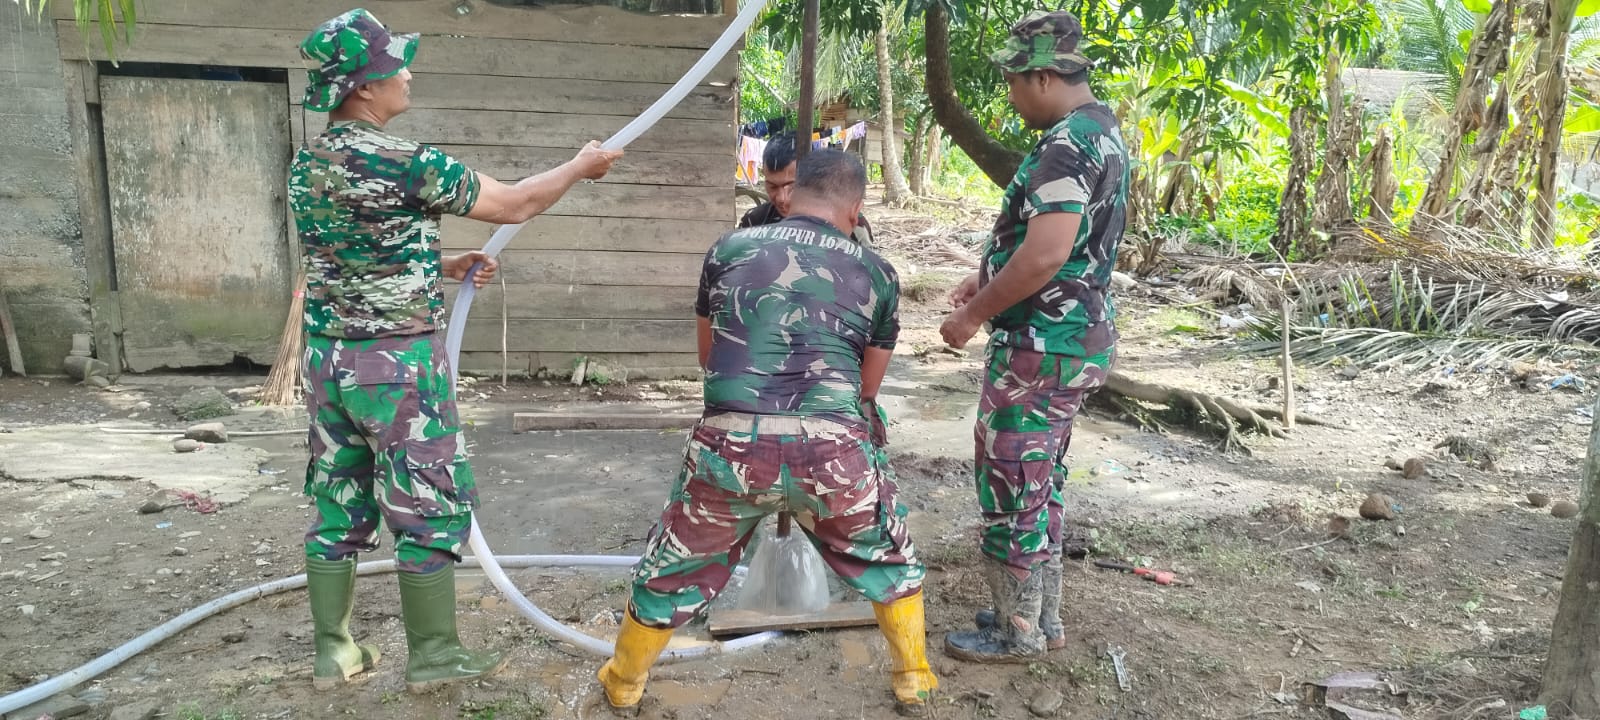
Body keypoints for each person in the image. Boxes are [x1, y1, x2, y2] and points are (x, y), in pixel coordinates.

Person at [289, 8, 621, 692]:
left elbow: (347, 253)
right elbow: (517, 204)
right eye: (394, 66)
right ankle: (435, 659)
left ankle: (334, 652)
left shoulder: (307, 164)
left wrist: (439, 266)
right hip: (396, 366)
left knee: (336, 499)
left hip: (328, 362)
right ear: (363, 88)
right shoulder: (405, 160)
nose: (406, 74)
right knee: (428, 503)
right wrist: (582, 167)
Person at [596, 150, 936, 717]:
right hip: (834, 454)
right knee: (890, 557)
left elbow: (710, 357)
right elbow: (867, 389)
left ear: (791, 193)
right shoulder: (877, 272)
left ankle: (624, 682)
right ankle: (913, 681)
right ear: (855, 207)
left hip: (730, 448)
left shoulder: (728, 250)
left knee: (674, 562)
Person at [937, 10, 1129, 663]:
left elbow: (1046, 255)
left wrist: (971, 315)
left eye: (1015, 81)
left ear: (1045, 75)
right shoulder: (1100, 133)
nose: (1012, 96)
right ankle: (1042, 622)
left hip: (1041, 344)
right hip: (1072, 336)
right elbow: (1062, 247)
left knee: (1012, 478)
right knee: (1040, 479)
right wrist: (985, 271)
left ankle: (1014, 632)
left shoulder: (1066, 146)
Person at [739, 132, 877, 247]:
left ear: (810, 180)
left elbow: (866, 273)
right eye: (772, 186)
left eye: (791, 186)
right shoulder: (755, 221)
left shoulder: (850, 222)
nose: (782, 198)